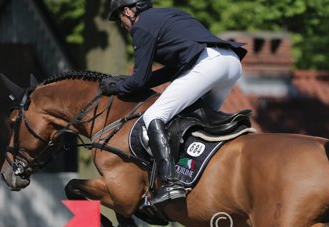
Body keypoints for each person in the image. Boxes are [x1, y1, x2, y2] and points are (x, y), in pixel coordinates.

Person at [101, 0, 247, 206]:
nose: (121, 25)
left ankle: (170, 183)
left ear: (128, 11)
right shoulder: (171, 15)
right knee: (196, 122)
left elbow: (140, 80)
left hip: (208, 65)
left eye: (119, 19)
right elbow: (170, 71)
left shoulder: (141, 26)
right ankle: (199, 174)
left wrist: (118, 86)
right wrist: (126, 82)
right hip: (230, 62)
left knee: (153, 116)